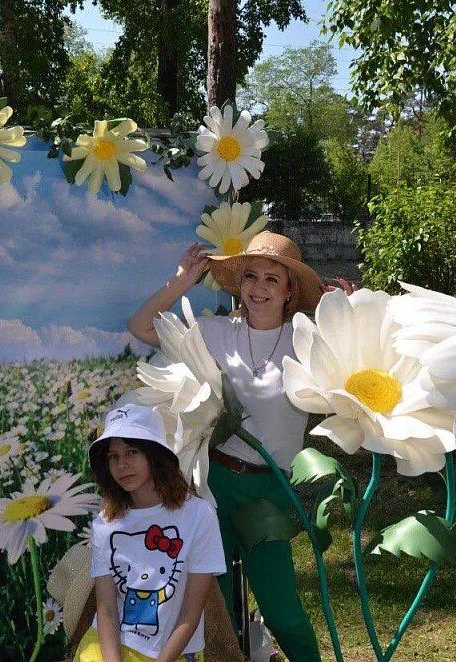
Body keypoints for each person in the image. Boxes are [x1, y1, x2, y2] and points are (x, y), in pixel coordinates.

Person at [127, 231, 353, 662]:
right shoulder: (215, 332)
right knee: (219, 610)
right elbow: (139, 327)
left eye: (273, 279)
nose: (260, 287)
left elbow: (358, 360)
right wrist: (180, 282)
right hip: (213, 487)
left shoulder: (306, 340)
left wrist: (346, 310)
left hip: (269, 491)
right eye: (252, 276)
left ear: (289, 291)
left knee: (282, 611)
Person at [75, 404, 226, 662]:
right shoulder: (105, 523)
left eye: (132, 452)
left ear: (155, 455)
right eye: (113, 456)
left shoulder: (199, 516)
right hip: (108, 645)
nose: (122, 465)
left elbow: (191, 614)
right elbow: (107, 609)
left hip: (174, 650)